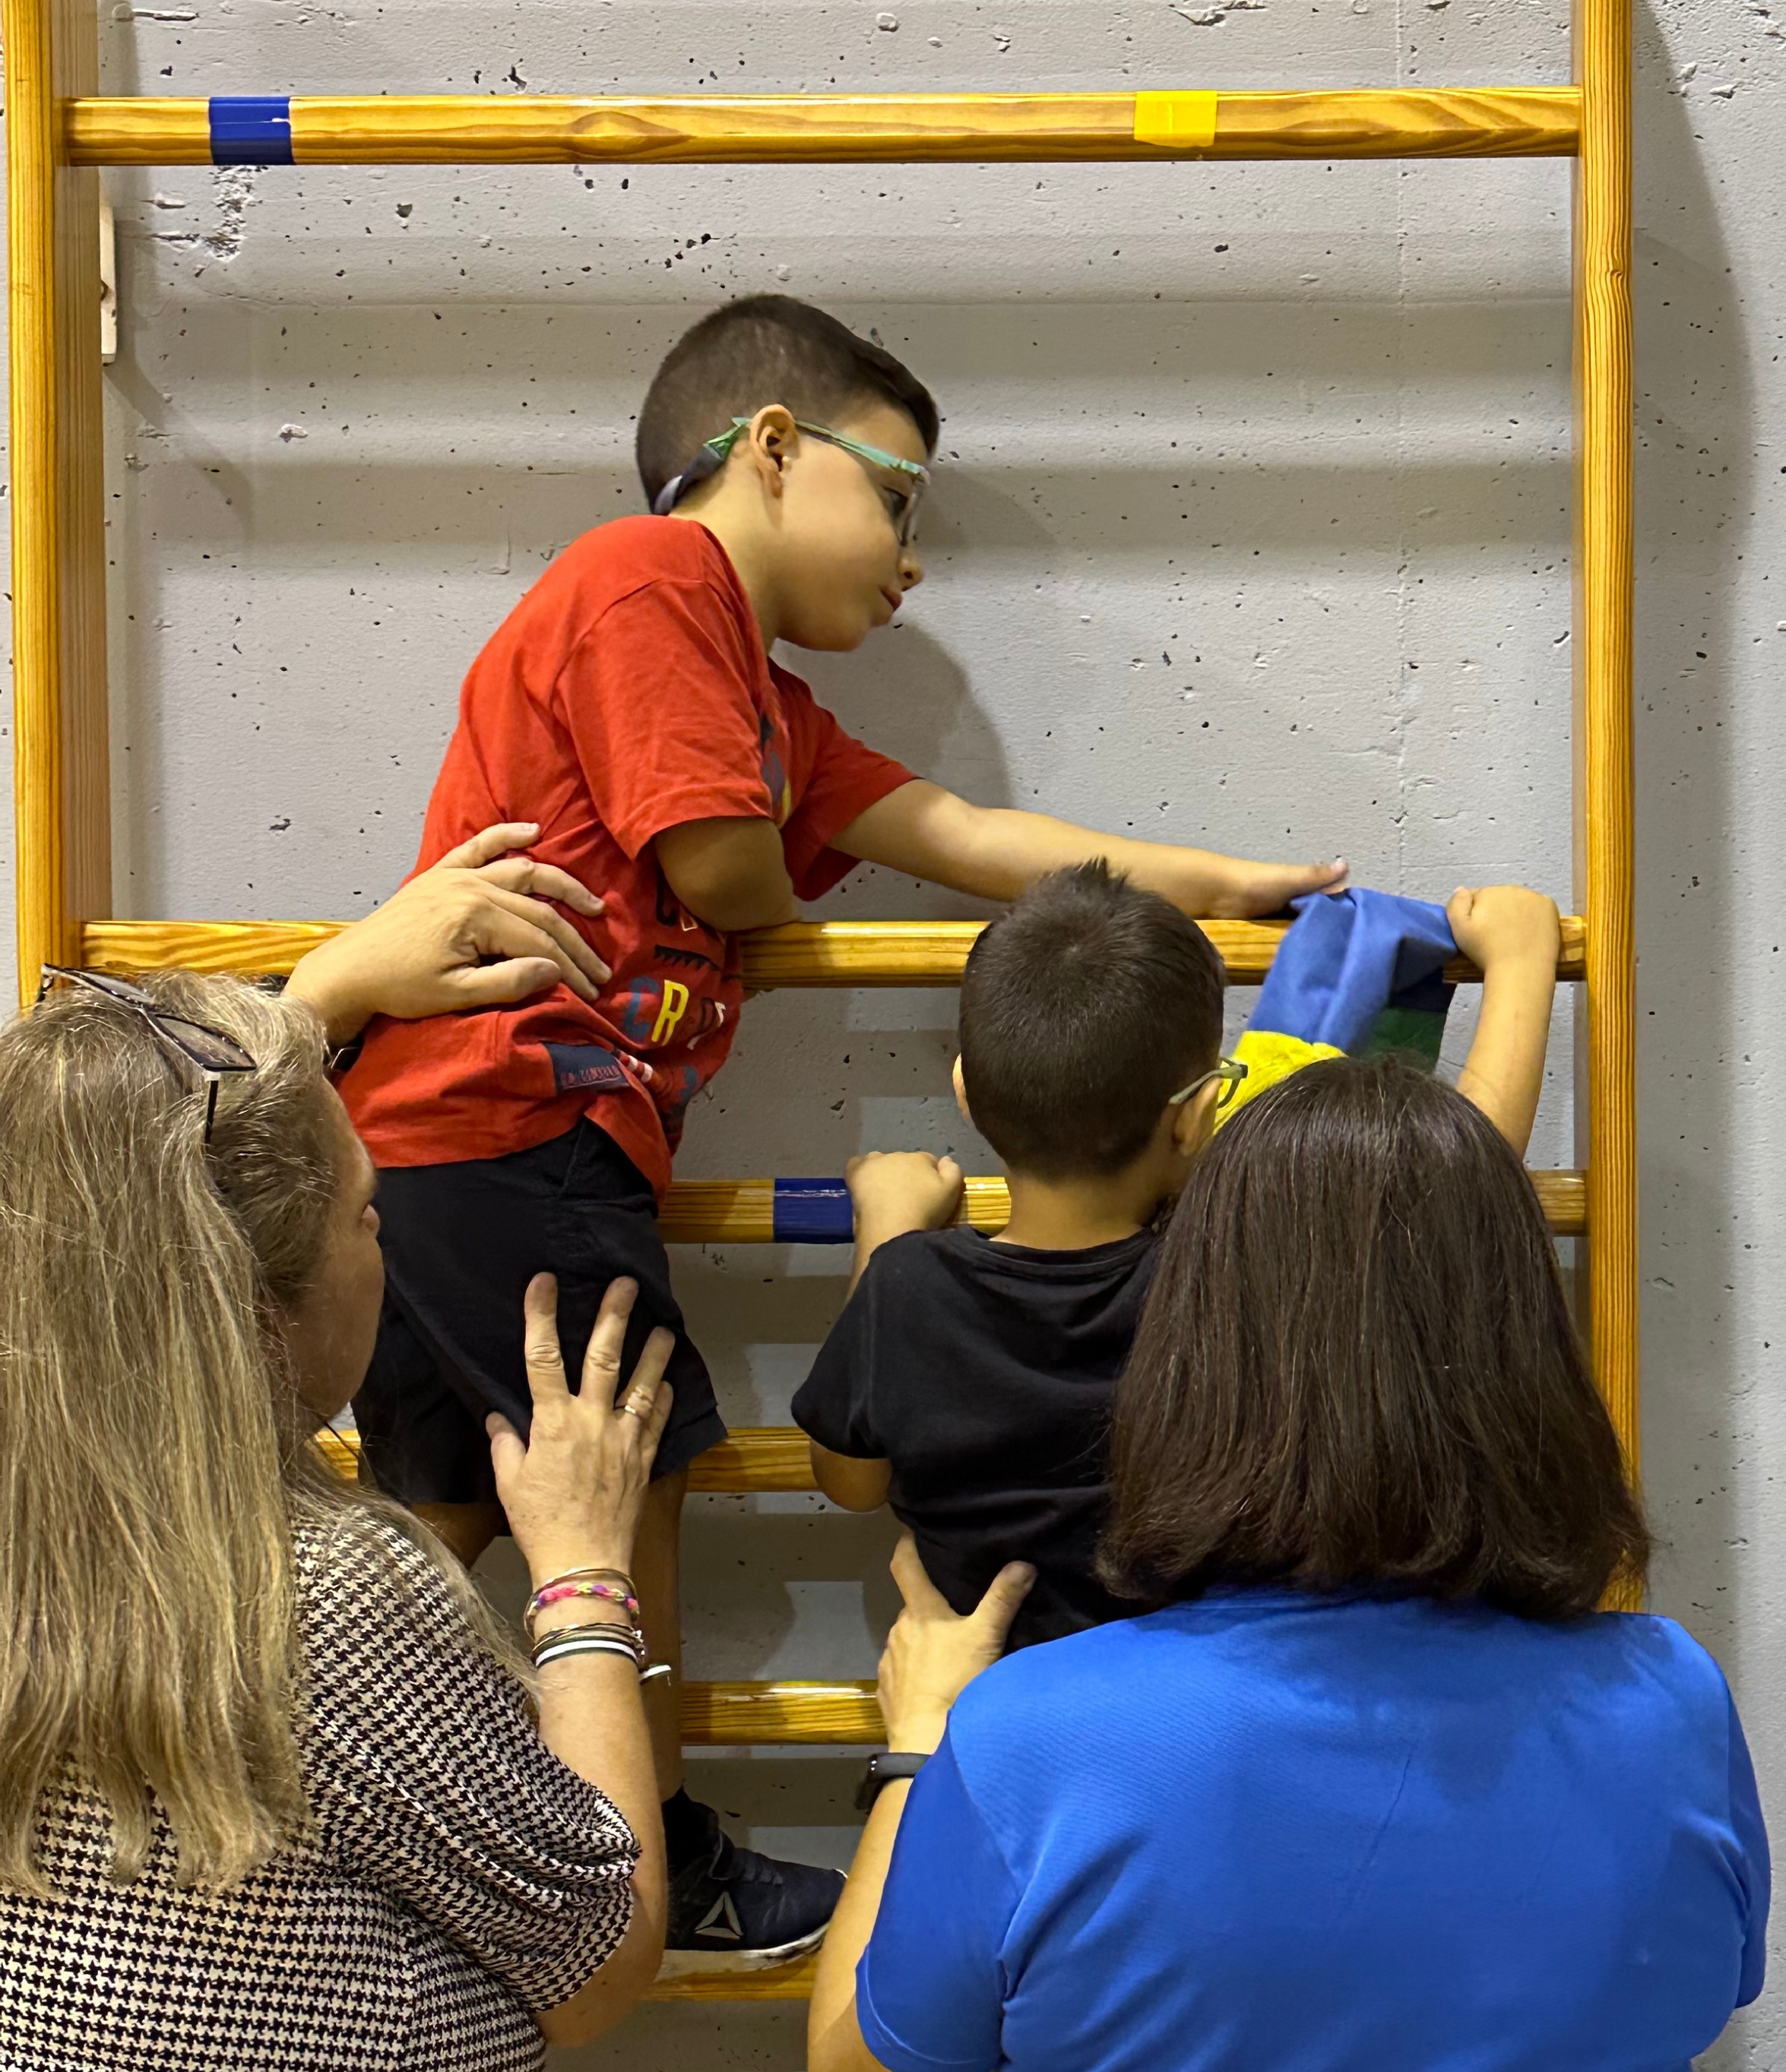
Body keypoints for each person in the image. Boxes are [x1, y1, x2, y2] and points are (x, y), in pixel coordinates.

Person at [334, 292, 1350, 1961]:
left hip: (464, 1137)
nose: (911, 558)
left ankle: (325, 1828)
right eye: (895, 495)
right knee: (634, 1469)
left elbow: (966, 831)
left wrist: (1219, 880)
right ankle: (654, 1851)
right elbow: (724, 869)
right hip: (517, 1111)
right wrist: (768, 847)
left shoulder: (765, 706)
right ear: (771, 448)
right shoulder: (648, 581)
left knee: (441, 1518)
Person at [806, 1055, 1769, 2072]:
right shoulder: (1674, 1703)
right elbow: (1714, 1986)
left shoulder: (1028, 1742)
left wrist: (916, 1749)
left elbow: (852, 2064)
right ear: (1525, 1348)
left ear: (1193, 1352)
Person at [0, 829, 679, 2071]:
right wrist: (583, 1573)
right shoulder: (323, 1594)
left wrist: (322, 994)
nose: (384, 1234)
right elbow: (602, 1956)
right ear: (263, 1314)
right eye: (367, 1208)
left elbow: (93, 1165)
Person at [791, 865, 1563, 1650]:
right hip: (1205, 1700)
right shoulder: (1234, 1269)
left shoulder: (908, 1286)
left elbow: (850, 1479)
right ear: (1196, 1115)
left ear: (964, 1092)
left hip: (985, 1695)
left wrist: (886, 1229)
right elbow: (1451, 1196)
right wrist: (1519, 966)